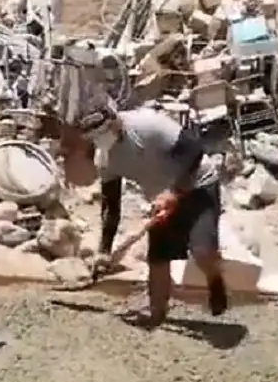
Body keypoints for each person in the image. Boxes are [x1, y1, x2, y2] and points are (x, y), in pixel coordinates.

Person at [60, 105, 229, 328]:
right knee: (158, 259)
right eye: (94, 140)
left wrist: (174, 191)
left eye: (102, 135)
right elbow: (112, 204)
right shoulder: (106, 158)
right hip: (160, 200)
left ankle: (215, 282)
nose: (100, 142)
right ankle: (156, 314)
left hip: (198, 186)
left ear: (115, 123)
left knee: (202, 251)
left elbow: (194, 151)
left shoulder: (148, 126)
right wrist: (104, 249)